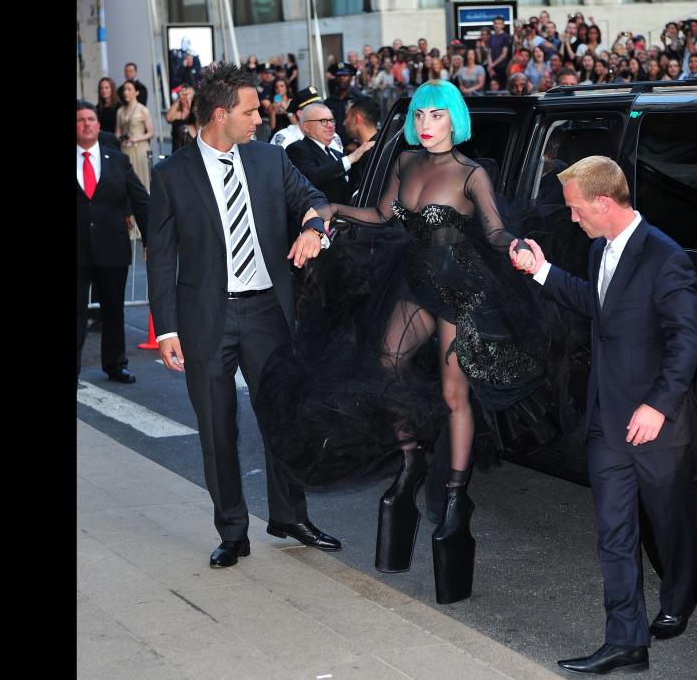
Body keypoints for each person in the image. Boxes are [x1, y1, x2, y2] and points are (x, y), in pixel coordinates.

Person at [255, 80, 549, 606]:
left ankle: (456, 497)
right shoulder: (407, 161)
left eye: (436, 115)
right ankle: (411, 457)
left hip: (460, 287)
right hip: (413, 280)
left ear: (454, 119)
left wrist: (519, 246)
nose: (425, 123)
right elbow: (384, 216)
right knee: (386, 366)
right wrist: (333, 211)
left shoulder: (471, 173)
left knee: (456, 393)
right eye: (419, 114)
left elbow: (497, 230)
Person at [509, 155, 697, 675]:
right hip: (606, 421)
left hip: (656, 425)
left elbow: (687, 340)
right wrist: (542, 269)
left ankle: (679, 597)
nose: (572, 219)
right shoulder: (600, 252)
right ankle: (626, 642)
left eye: (576, 210)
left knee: (672, 522)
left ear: (603, 202)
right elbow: (595, 306)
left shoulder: (665, 258)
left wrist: (658, 406)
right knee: (614, 532)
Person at [146, 62, 342, 569]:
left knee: (281, 417)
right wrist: (166, 328)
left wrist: (313, 229)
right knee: (217, 429)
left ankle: (289, 516)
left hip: (266, 314)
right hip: (205, 319)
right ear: (219, 114)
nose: (261, 117)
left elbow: (315, 200)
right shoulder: (171, 174)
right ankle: (232, 532)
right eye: (251, 110)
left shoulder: (268, 160)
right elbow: (162, 257)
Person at [76, 100, 149, 385]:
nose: (86, 124)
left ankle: (115, 364)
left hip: (112, 249)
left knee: (113, 311)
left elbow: (141, 200)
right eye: (80, 119)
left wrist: (151, 240)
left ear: (99, 124)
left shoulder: (116, 160)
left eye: (90, 119)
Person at [285, 102, 374, 206]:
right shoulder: (296, 149)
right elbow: (313, 177)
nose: (330, 125)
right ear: (306, 127)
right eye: (323, 121)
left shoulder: (336, 153)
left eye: (332, 121)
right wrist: (351, 158)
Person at [271, 85, 343, 152]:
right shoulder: (284, 137)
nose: (321, 110)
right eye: (315, 108)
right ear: (300, 114)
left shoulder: (332, 136)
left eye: (320, 106)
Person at [115, 80, 154, 189]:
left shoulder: (143, 110)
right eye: (124, 90)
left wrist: (137, 138)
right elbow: (117, 132)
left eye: (129, 89)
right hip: (125, 148)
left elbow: (151, 132)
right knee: (127, 181)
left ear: (136, 92)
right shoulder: (120, 111)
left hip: (140, 148)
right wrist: (120, 137)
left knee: (142, 181)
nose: (126, 92)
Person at [342, 96, 381, 195]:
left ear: (357, 119)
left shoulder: (371, 153)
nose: (344, 122)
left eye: (347, 117)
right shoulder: (383, 144)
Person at [325, 62, 365, 148]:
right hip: (333, 145)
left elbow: (365, 123)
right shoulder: (329, 101)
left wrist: (355, 142)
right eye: (339, 76)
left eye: (345, 75)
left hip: (354, 147)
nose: (342, 78)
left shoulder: (360, 98)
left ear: (351, 77)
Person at [165, 83, 196, 152]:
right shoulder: (177, 113)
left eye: (188, 94)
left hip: (190, 147)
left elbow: (192, 110)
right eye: (183, 94)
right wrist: (178, 99)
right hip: (177, 147)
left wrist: (189, 100)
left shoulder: (193, 112)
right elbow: (168, 118)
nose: (185, 96)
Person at [486, 16, 513, 89]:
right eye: (495, 23)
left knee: (502, 89)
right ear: (493, 25)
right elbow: (489, 53)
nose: (497, 25)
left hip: (502, 68)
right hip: (491, 68)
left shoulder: (506, 37)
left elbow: (504, 55)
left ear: (503, 25)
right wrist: (490, 67)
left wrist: (491, 65)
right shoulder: (491, 37)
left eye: (499, 23)